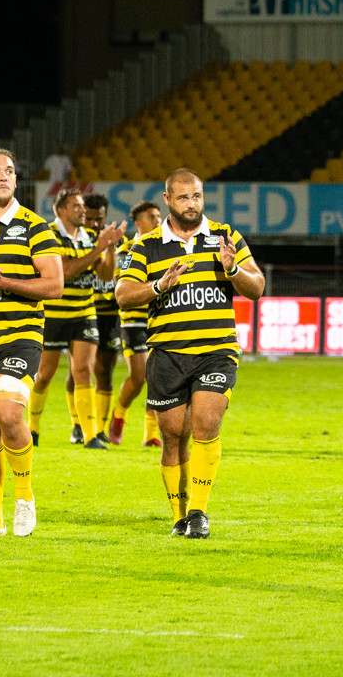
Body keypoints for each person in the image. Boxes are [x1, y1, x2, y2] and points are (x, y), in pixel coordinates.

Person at [116, 169, 265, 538]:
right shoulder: (146, 246)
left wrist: (232, 269)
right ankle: (179, 514)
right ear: (167, 199)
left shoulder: (225, 236)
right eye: (183, 198)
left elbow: (257, 286)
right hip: (167, 354)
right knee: (172, 436)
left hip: (216, 351)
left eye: (196, 196)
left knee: (206, 423)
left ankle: (198, 512)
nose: (191, 204)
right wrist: (157, 285)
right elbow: (122, 293)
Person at [0, 148, 63, 538]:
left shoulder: (36, 226)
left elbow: (54, 285)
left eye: (9, 171)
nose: (3, 176)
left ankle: (25, 497)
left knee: (8, 414)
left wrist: (5, 283)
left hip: (21, 337)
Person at [27, 189, 125, 449]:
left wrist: (111, 248)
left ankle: (91, 435)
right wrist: (99, 248)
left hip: (84, 313)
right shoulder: (49, 234)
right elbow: (67, 270)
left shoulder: (90, 237)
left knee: (83, 371)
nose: (83, 210)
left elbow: (105, 275)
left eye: (83, 206)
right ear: (61, 210)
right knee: (45, 375)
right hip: (53, 315)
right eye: (76, 206)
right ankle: (33, 430)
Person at [109, 200, 164, 447]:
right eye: (151, 217)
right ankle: (119, 416)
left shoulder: (166, 248)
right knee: (139, 377)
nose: (157, 220)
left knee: (157, 377)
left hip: (159, 320)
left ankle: (150, 434)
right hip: (133, 322)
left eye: (158, 216)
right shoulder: (128, 249)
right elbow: (123, 286)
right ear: (137, 223)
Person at [75, 192, 122, 444]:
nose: (94, 224)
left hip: (110, 314)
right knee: (79, 370)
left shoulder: (115, 242)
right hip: (83, 312)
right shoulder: (77, 241)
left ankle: (100, 429)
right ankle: (79, 425)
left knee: (106, 372)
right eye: (89, 219)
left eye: (99, 219)